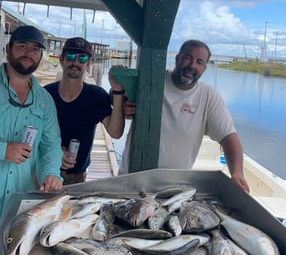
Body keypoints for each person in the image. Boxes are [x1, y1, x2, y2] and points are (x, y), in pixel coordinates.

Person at [120, 39, 250, 192]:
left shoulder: (208, 96)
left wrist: (237, 173)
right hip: (132, 180)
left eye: (199, 62)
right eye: (188, 57)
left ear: (204, 68)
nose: (192, 65)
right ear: (177, 59)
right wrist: (123, 103)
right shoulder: (152, 80)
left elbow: (229, 138)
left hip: (173, 187)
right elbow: (115, 94)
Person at [0, 25, 63, 218]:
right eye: (22, 46)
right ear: (8, 49)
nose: (29, 53)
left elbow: (51, 146)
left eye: (36, 49)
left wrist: (51, 175)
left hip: (20, 203)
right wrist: (3, 150)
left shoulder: (45, 100)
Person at [45, 37, 126, 185]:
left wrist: (118, 91)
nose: (75, 62)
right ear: (62, 59)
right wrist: (56, 152)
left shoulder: (97, 96)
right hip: (43, 170)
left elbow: (115, 132)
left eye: (82, 58)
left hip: (76, 177)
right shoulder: (45, 95)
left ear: (88, 64)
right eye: (70, 57)